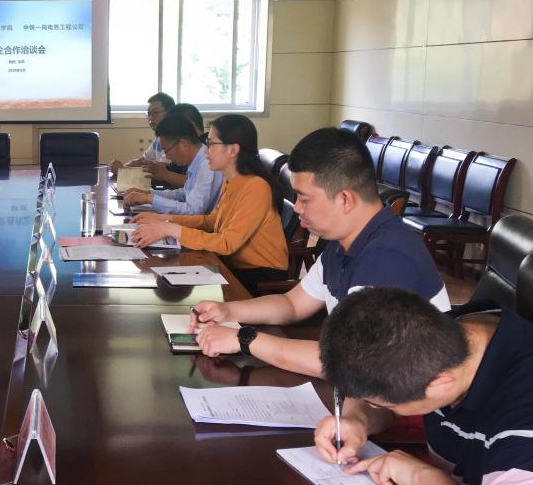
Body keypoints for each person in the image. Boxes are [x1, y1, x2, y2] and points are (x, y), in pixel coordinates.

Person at [189, 127, 450, 377]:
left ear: (345, 199)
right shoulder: (344, 242)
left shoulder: (386, 257)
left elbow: (348, 362)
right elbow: (292, 304)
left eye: (304, 198)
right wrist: (227, 311)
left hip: (399, 401)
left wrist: (244, 340)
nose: (297, 208)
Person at [314, 286, 533, 485]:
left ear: (440, 383)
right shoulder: (434, 335)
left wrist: (424, 478)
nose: (373, 406)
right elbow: (382, 385)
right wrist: (356, 419)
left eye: (380, 404)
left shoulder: (524, 415)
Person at [129, 114, 288, 294]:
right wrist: (163, 219)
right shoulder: (232, 180)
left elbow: (227, 243)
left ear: (232, 150)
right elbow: (211, 221)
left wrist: (170, 229)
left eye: (211, 144)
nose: (206, 151)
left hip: (260, 278)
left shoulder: (256, 187)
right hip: (231, 265)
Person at [122, 104, 223, 215]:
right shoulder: (197, 160)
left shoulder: (207, 164)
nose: (167, 156)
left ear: (183, 145)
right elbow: (184, 194)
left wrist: (149, 199)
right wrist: (147, 193)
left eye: (167, 150)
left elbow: (193, 211)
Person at [109, 93, 187, 189]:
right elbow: (142, 161)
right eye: (149, 113)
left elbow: (159, 172)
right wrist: (123, 168)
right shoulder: (158, 138)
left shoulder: (174, 139)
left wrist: (122, 171)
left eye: (155, 112)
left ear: (170, 113)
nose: (151, 117)